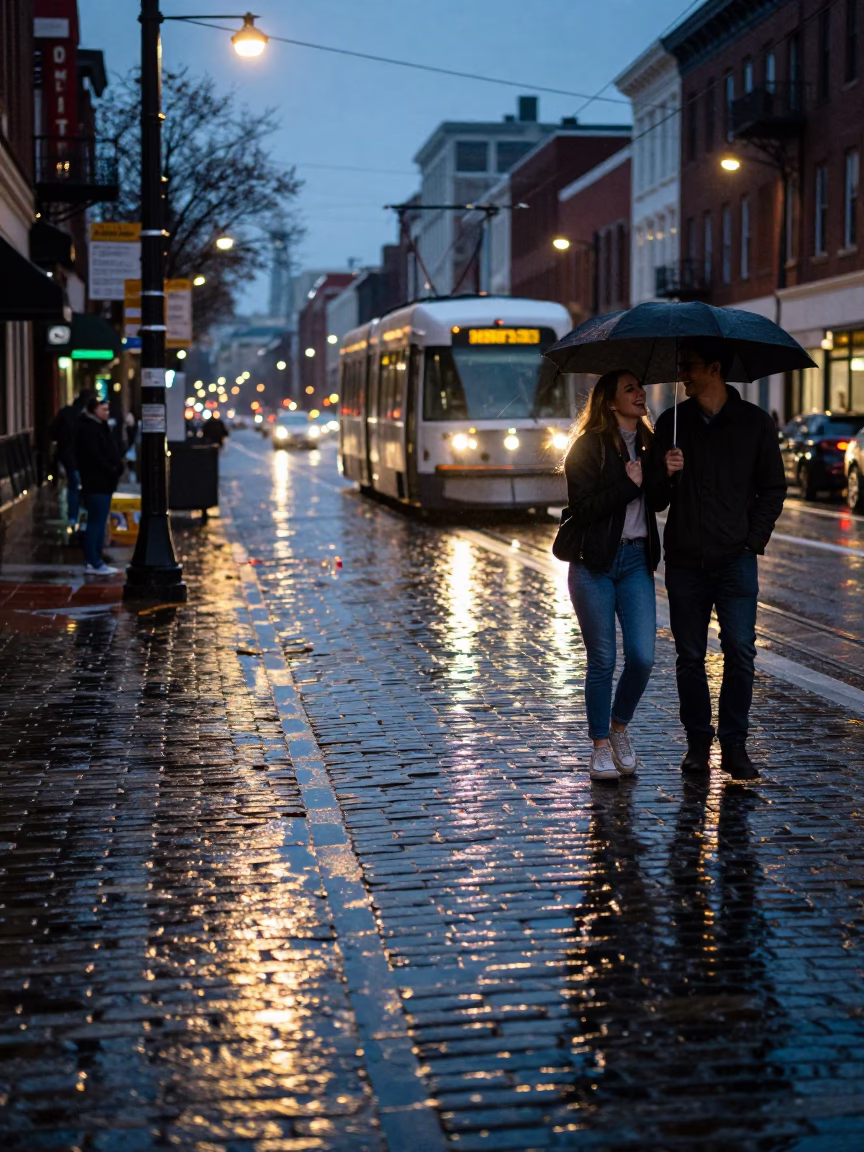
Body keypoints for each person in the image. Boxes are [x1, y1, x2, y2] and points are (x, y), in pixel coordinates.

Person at [651, 338, 786, 780]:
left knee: (740, 651)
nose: (682, 374)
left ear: (714, 368)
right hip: (687, 560)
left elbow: (773, 487)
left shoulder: (754, 423)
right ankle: (697, 745)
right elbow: (653, 500)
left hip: (735, 560)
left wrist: (753, 540)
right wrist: (663, 473)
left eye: (689, 366)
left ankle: (734, 746)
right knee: (689, 656)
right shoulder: (672, 423)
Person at [562, 370, 661, 782]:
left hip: (636, 560)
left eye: (640, 387)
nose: (641, 394)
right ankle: (600, 745)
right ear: (609, 402)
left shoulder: (651, 444)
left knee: (642, 657)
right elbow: (582, 509)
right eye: (630, 389)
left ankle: (620, 727)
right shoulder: (586, 447)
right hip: (594, 563)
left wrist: (669, 473)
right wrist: (627, 483)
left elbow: (656, 501)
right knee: (602, 659)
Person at [75, 395, 125, 576]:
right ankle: (94, 561)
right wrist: (112, 469)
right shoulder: (89, 430)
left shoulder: (98, 427)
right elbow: (95, 457)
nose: (107, 413)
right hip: (97, 483)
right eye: (103, 409)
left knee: (97, 522)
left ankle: (95, 560)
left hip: (102, 482)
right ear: (93, 410)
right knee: (95, 523)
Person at [48, 389, 92, 528]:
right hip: (83, 458)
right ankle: (83, 516)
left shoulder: (66, 412)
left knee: (73, 485)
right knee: (84, 486)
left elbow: (52, 432)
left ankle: (73, 517)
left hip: (68, 456)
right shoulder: (88, 416)